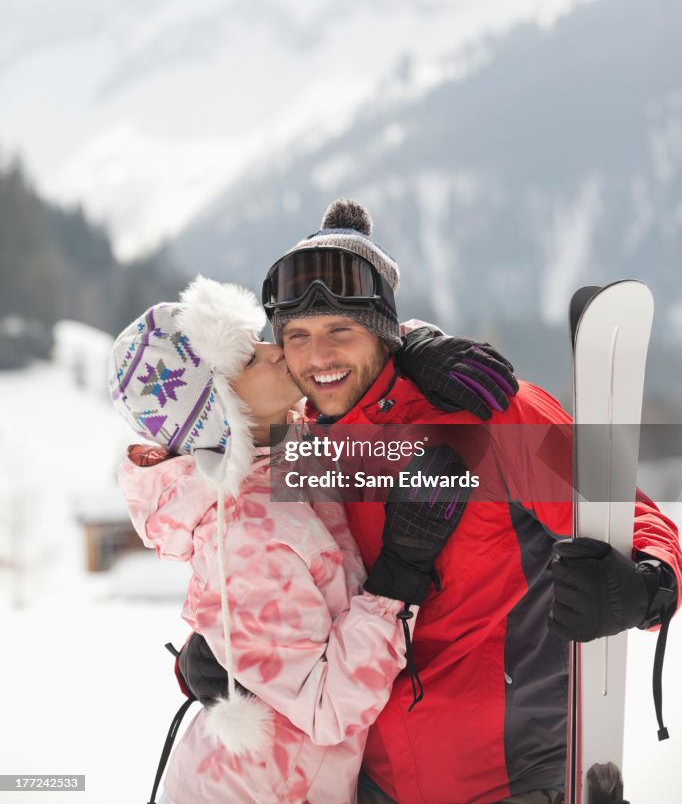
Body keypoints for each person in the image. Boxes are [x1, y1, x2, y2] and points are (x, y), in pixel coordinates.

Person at [179, 198, 682, 804]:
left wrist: (648, 584)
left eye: (342, 330)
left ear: (384, 334)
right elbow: (265, 570)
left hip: (514, 778)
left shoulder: (493, 416)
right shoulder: (299, 446)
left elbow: (631, 512)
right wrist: (219, 650)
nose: (319, 357)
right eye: (298, 337)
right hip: (370, 784)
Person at [109, 275, 517, 804]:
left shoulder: (278, 454)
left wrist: (412, 344)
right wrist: (399, 572)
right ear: (219, 412)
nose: (275, 351)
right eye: (248, 360)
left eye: (256, 339)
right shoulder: (250, 533)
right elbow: (330, 707)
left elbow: (345, 379)